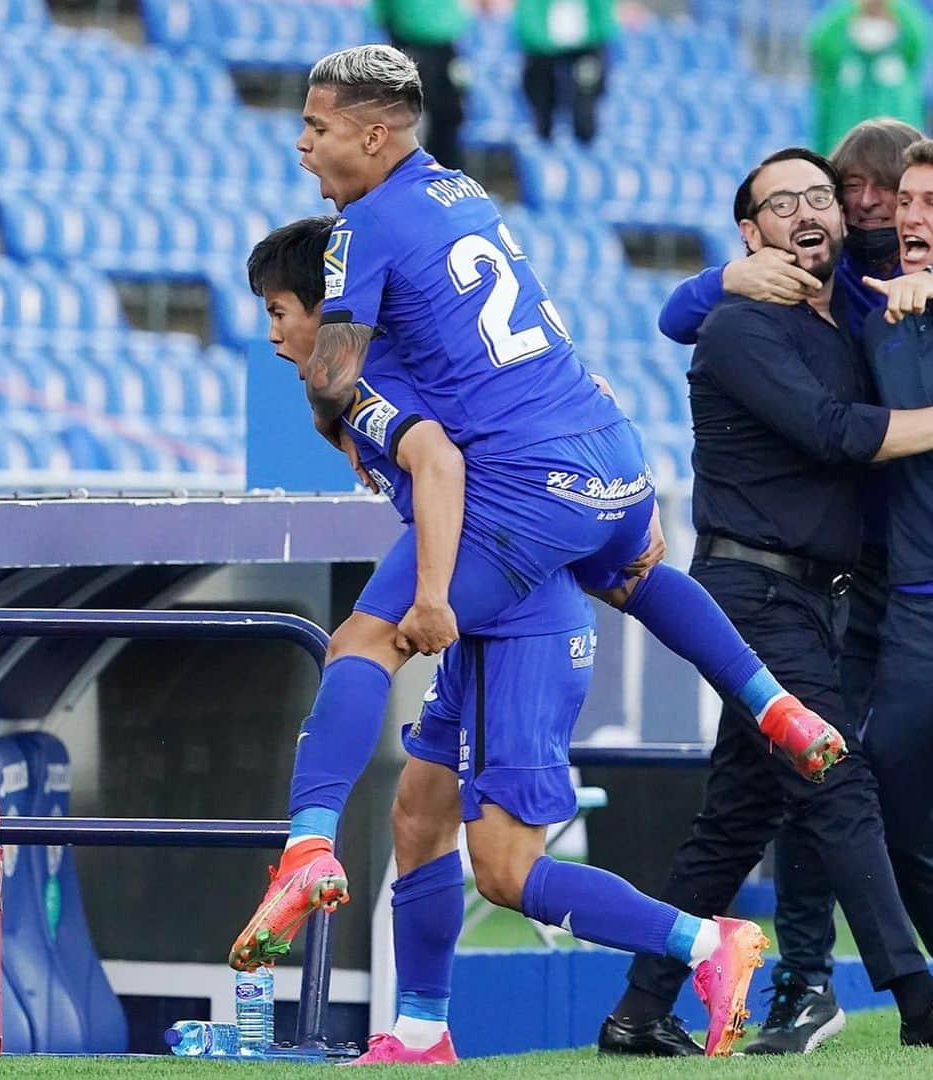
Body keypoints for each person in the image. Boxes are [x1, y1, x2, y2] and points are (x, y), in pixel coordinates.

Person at [229, 45, 845, 981]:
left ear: (371, 132)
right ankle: (774, 708)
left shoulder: (364, 242)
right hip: (603, 457)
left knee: (364, 646)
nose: (303, 146)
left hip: (521, 525)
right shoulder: (461, 193)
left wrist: (410, 550)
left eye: (315, 128)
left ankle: (310, 842)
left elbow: (385, 416)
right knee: (425, 807)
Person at [245, 214, 772, 1059]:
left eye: (280, 310)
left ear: (331, 307)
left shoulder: (386, 389)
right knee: (417, 817)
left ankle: (708, 946)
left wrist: (429, 594)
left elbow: (450, 469)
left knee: (504, 870)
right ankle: (420, 1031)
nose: (271, 333)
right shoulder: (367, 386)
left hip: (523, 631)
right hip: (484, 626)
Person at [600, 147, 933, 1056]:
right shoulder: (738, 327)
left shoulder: (836, 316)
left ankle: (639, 1011)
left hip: (811, 598)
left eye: (821, 197)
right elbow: (836, 434)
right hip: (754, 592)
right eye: (783, 203)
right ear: (751, 233)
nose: (809, 211)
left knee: (735, 818)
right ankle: (918, 994)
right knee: (834, 776)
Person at [857, 135, 933, 1011]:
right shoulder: (874, 323)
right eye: (907, 200)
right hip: (921, 611)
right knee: (900, 815)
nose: (911, 216)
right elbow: (679, 318)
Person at [807, 0, 933, 156]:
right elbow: (822, 42)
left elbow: (918, 40)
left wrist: (892, 8)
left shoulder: (897, 74)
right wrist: (855, 8)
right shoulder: (845, 75)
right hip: (846, 123)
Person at [369, 0, 474, 170]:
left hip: (445, 47)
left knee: (449, 116)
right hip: (410, 45)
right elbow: (380, 15)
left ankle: (444, 175)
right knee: (409, 117)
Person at [513, 0, 619, 144]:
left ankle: (584, 144)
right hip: (543, 54)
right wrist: (546, 43)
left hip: (586, 50)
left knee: (585, 102)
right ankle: (544, 142)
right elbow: (528, 23)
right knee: (542, 102)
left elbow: (605, 23)